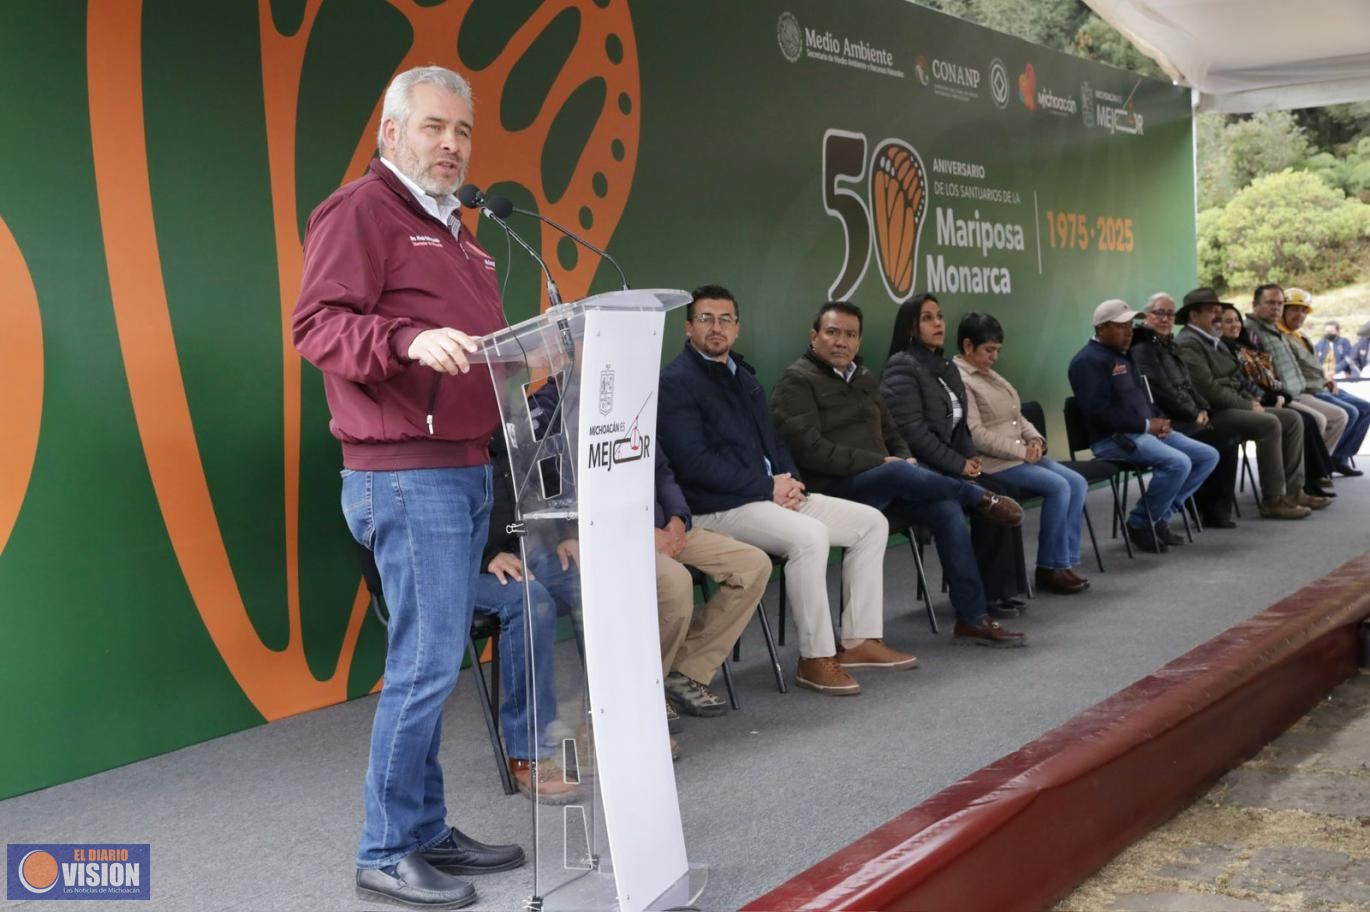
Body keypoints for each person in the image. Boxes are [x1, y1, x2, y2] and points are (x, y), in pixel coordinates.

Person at [292, 66, 523, 909]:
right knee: (424, 665)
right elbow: (316, 325)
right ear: (391, 133)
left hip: (464, 464)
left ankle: (425, 830)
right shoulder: (361, 210)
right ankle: (384, 848)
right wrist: (403, 341)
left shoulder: (458, 229)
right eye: (433, 128)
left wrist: (531, 359)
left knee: (435, 659)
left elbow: (475, 350)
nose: (452, 146)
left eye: (462, 132)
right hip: (402, 474)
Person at [657, 285, 919, 696]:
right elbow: (694, 463)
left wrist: (791, 482)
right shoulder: (675, 382)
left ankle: (859, 640)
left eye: (725, 319)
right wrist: (767, 486)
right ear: (689, 327)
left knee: (871, 523)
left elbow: (775, 442)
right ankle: (815, 657)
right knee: (810, 537)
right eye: (706, 319)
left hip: (769, 496)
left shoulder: (743, 376)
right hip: (720, 507)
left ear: (738, 328)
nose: (716, 327)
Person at [768, 301, 1029, 647]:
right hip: (832, 491)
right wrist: (881, 463)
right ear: (814, 336)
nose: (841, 342)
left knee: (945, 511)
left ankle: (973, 618)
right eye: (832, 332)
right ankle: (977, 496)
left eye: (850, 335)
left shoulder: (862, 377)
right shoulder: (796, 381)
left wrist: (904, 458)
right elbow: (811, 450)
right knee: (899, 476)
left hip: (885, 482)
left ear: (859, 341)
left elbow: (893, 432)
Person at [879, 293, 1033, 612]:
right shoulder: (901, 367)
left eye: (939, 316)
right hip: (921, 468)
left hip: (952, 464)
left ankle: (1003, 588)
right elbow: (914, 433)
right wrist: (959, 464)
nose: (937, 323)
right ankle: (987, 595)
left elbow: (960, 422)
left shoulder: (944, 366)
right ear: (910, 326)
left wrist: (969, 458)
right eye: (927, 318)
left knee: (1003, 490)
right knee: (989, 497)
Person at [1066, 299, 1219, 554]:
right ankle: (1140, 523)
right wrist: (1147, 425)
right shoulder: (1087, 361)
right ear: (1101, 328)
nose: (1129, 332)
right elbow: (1099, 412)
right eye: (1121, 326)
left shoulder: (1124, 355)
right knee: (1178, 463)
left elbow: (1144, 396)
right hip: (1114, 439)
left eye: (1131, 325)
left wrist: (1160, 420)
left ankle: (1156, 518)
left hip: (1144, 431)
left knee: (1207, 456)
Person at [951, 312, 1090, 592]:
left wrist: (1035, 439)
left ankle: (1064, 562)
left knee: (1078, 482)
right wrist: (1021, 451)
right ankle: (1049, 568)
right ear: (967, 346)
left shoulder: (991, 375)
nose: (994, 357)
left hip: (1021, 455)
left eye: (997, 351)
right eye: (989, 350)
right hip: (995, 464)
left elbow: (1017, 415)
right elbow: (975, 434)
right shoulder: (961, 380)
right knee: (1060, 487)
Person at [476, 437, 581, 801]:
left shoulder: (501, 417)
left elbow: (538, 483)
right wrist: (484, 557)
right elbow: (431, 516)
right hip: (459, 566)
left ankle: (604, 727)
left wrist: (564, 534)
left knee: (590, 579)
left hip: (522, 550)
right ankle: (530, 752)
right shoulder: (435, 424)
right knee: (529, 600)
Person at [1174, 289, 1317, 520]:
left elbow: (1236, 378)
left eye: (1220, 311)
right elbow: (1208, 390)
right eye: (1212, 311)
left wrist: (1255, 400)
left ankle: (1293, 492)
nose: (1218, 317)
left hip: (1235, 406)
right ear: (1193, 316)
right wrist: (1248, 406)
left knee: (1292, 419)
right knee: (1269, 423)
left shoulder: (1214, 339)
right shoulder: (1188, 343)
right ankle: (1273, 499)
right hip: (1214, 413)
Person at [654, 447, 771, 729]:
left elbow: (662, 472)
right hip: (614, 536)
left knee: (753, 564)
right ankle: (645, 686)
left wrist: (678, 519)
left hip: (667, 528)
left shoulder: (634, 413)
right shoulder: (563, 417)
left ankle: (684, 670)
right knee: (676, 582)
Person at [1129, 292, 1240, 527]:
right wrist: (1192, 414)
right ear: (1146, 316)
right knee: (1219, 442)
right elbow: (1160, 392)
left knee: (1227, 439)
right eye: (1159, 313)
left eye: (1169, 314)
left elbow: (1188, 385)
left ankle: (1214, 510)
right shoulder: (1142, 348)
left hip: (1187, 416)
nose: (1165, 319)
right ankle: (1204, 509)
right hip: (1167, 419)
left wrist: (1203, 408)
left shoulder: (1169, 344)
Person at [1219, 302, 1338, 499]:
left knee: (1307, 419)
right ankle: (1295, 488)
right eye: (1227, 321)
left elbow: (1265, 374)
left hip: (1275, 395)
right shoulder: (1228, 346)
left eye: (1235, 320)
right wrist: (1263, 398)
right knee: (1301, 419)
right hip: (1253, 401)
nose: (1234, 325)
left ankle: (1308, 481)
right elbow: (1241, 381)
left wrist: (1277, 395)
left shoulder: (1245, 344)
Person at [1246, 284, 1348, 456]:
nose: (1276, 307)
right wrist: (1274, 396)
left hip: (1302, 390)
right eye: (1271, 303)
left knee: (1343, 414)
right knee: (1319, 420)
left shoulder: (1280, 332)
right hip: (1286, 395)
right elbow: (1258, 374)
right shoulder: (1253, 331)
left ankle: (1324, 465)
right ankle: (1314, 470)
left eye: (1279, 303)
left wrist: (1325, 380)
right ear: (1255, 305)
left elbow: (1298, 367)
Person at [1280, 289, 1369, 477]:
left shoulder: (1300, 336)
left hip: (1324, 384)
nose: (1300, 315)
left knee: (1366, 408)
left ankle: (1339, 456)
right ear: (1283, 310)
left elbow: (1312, 364)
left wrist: (1326, 378)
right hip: (1310, 390)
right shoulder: (1281, 337)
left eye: (1304, 311)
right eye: (1295, 309)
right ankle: (1325, 463)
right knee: (1351, 413)